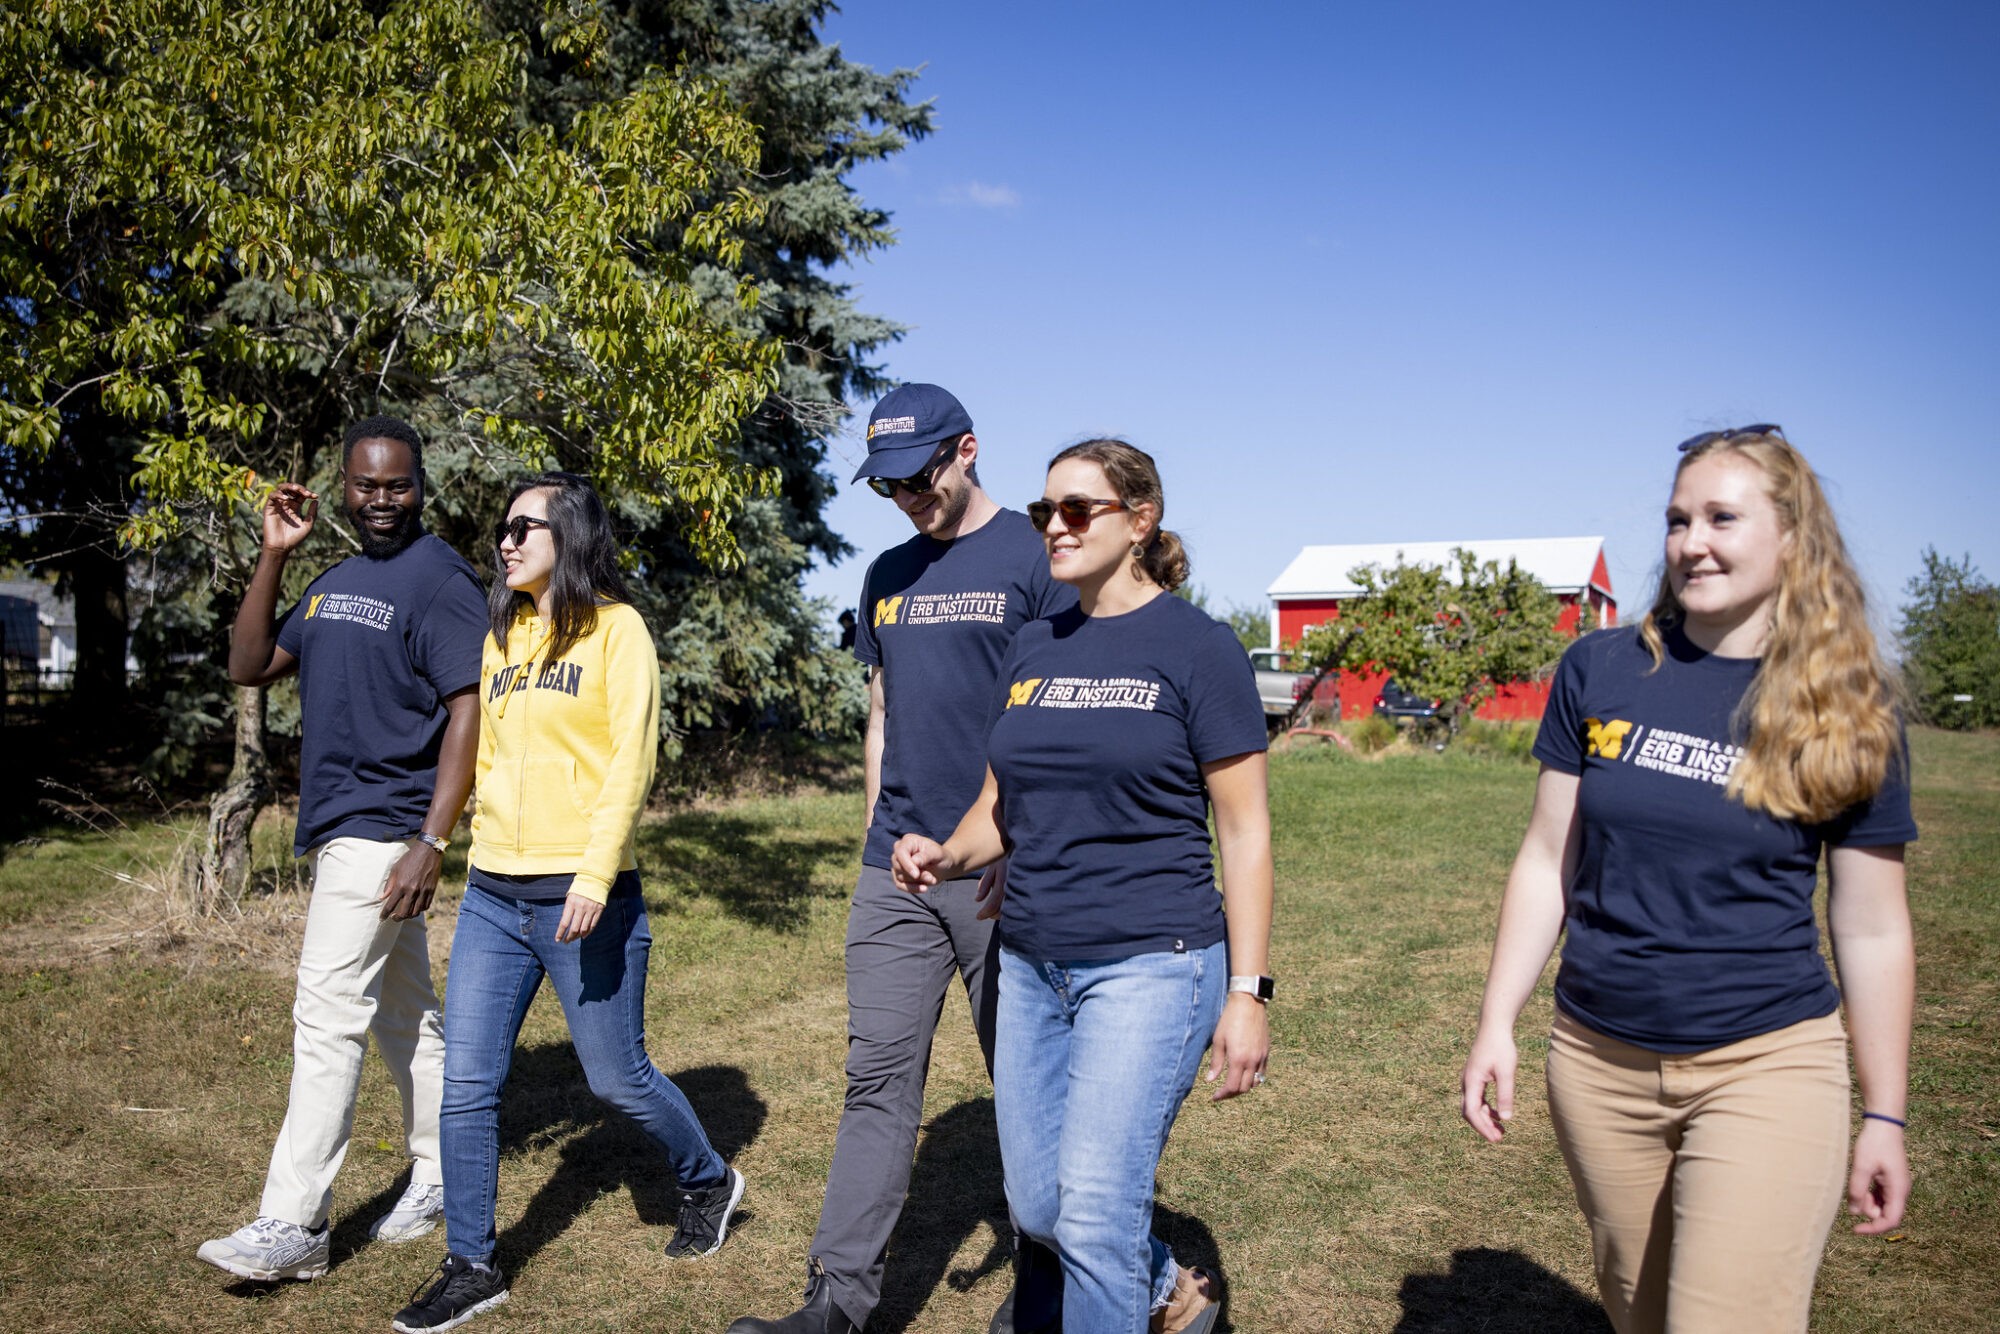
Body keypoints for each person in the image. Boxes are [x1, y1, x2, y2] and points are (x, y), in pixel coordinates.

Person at [1459, 426, 1916, 1334]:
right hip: (1598, 1064)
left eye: (1720, 518)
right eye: (1677, 519)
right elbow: (1550, 856)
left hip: (1767, 1061)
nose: (1690, 542)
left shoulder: (1850, 704)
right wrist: (1495, 1022)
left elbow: (1871, 927)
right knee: (1640, 1312)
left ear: (1792, 536)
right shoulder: (1603, 667)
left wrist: (1887, 1114)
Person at [892, 439, 1275, 1334]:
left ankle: (1123, 1293)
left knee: (1097, 1216)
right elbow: (1000, 806)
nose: (1053, 527)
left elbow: (1247, 832)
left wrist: (1249, 993)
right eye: (1044, 511)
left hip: (1154, 961)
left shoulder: (1198, 646)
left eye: (1077, 510)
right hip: (1030, 962)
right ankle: (1172, 1289)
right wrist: (947, 856)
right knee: (1039, 1211)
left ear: (1140, 521)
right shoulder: (1033, 646)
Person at [727, 384, 1075, 1334]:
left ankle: (1059, 1290)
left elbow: (1056, 721)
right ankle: (836, 1306)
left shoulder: (1035, 560)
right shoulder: (884, 572)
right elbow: (882, 715)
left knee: (1034, 1087)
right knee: (877, 1081)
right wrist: (874, 831)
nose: (907, 499)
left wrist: (1020, 840)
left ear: (967, 450)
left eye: (919, 477)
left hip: (1005, 868)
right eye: (886, 486)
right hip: (898, 871)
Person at [391, 472, 742, 1333]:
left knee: (616, 1078)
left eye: (523, 527)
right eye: (501, 530)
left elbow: (630, 759)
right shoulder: (503, 633)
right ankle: (472, 1264)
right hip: (493, 895)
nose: (505, 542)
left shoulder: (619, 631)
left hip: (586, 895)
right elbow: (486, 752)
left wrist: (593, 873)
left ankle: (707, 1178)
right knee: (467, 1084)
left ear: (570, 536)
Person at [200, 416, 486, 1281]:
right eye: (366, 486)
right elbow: (249, 664)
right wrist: (275, 553)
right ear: (344, 486)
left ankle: (296, 1225)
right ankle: (441, 1173)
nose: (383, 500)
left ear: (421, 483)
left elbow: (469, 711)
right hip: (341, 830)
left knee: (326, 1021)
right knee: (407, 1018)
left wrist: (432, 839)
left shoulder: (444, 582)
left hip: (383, 830)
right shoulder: (332, 579)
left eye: (398, 484)